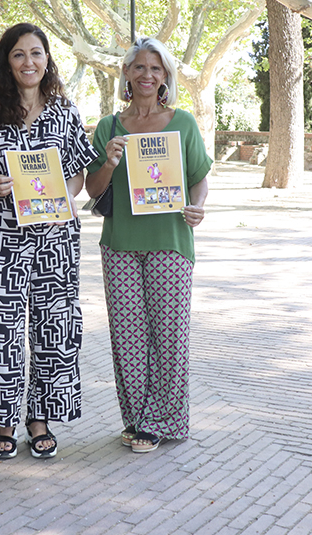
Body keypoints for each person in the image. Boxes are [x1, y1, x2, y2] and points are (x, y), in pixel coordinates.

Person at [0, 23, 98, 459]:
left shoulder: (66, 111)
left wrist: (69, 195)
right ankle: (3, 422)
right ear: (7, 61)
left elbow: (79, 172)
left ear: (48, 59)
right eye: (20, 54)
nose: (29, 62)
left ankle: (38, 419)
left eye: (37, 53)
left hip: (56, 238)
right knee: (3, 331)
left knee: (53, 329)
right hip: (4, 237)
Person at [85, 37, 212, 453]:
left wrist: (197, 207)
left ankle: (164, 420)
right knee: (127, 338)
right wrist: (109, 161)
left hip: (169, 241)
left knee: (169, 335)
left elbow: (199, 177)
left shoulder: (183, 123)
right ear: (125, 73)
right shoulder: (109, 127)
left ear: (166, 77)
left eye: (156, 69)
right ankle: (137, 420)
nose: (147, 75)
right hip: (120, 242)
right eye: (139, 67)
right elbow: (92, 188)